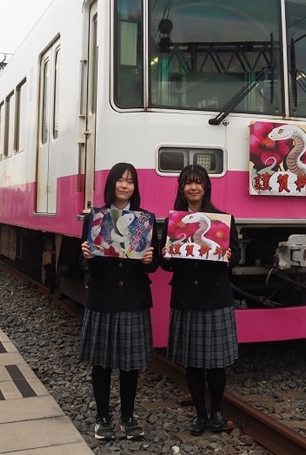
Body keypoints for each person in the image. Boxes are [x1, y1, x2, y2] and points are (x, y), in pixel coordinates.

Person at [79, 162, 159, 441]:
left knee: (130, 364)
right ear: (111, 184)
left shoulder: (145, 219)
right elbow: (85, 263)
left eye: (130, 181)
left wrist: (149, 261)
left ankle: (128, 416)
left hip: (133, 298)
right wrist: (88, 258)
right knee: (101, 363)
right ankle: (103, 418)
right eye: (120, 180)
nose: (125, 185)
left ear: (135, 187)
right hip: (102, 297)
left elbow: (153, 263)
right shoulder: (96, 217)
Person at [160, 164, 240, 436]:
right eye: (188, 183)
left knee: (216, 364)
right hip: (185, 297)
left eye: (198, 182)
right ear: (181, 188)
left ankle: (217, 408)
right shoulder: (174, 222)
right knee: (192, 363)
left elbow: (236, 257)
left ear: (206, 186)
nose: (193, 187)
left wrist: (230, 258)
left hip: (215, 297)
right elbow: (166, 265)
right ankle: (200, 413)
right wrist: (166, 257)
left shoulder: (223, 219)